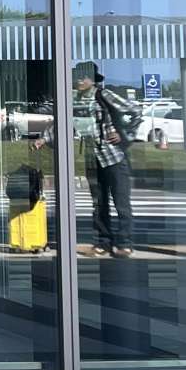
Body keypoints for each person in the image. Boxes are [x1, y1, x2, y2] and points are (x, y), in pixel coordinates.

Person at [73, 62, 140, 257]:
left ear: (92, 80)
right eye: (77, 76)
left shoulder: (103, 95)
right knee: (99, 203)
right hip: (93, 158)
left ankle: (125, 243)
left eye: (83, 77)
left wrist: (125, 134)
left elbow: (135, 110)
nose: (79, 80)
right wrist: (44, 139)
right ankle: (103, 242)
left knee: (121, 202)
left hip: (114, 156)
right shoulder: (76, 100)